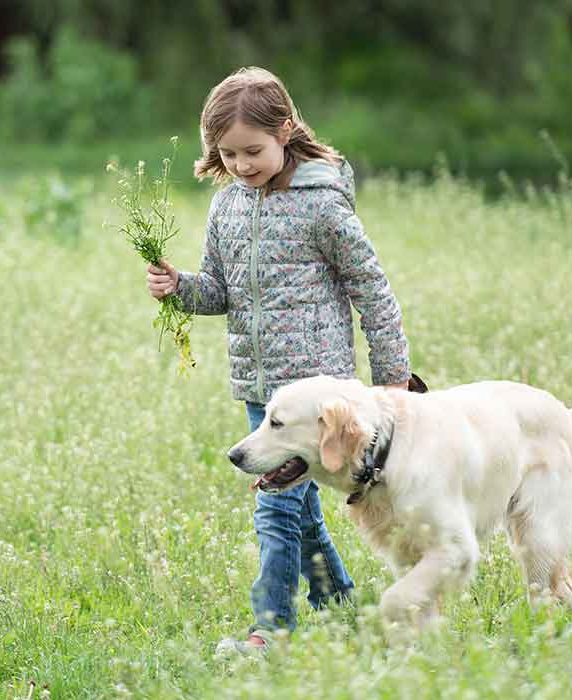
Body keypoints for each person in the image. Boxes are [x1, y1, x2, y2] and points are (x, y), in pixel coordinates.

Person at [145, 67, 411, 654]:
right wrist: (179, 287)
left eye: (252, 150)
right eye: (228, 154)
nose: (241, 165)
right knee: (297, 506)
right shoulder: (227, 208)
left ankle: (271, 631)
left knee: (275, 507)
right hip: (260, 393)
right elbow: (221, 290)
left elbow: (373, 290)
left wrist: (392, 377)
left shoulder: (323, 207)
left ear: (286, 130)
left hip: (317, 397)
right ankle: (340, 608)